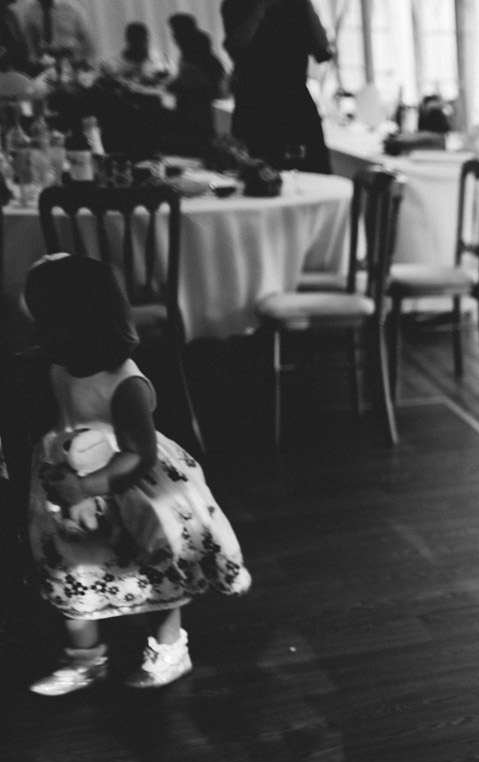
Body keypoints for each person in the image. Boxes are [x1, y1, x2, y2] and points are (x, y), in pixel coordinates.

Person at [23, 254, 251, 697]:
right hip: (74, 481)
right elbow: (66, 420)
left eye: (49, 323)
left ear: (86, 321)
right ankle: (86, 657)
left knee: (152, 565)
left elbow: (141, 456)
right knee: (75, 562)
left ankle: (170, 648)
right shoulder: (61, 367)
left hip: (130, 486)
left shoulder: (125, 384)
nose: (40, 334)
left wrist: (88, 486)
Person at [221, 0, 333, 173]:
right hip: (254, 103)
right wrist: (261, 8)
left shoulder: (296, 5)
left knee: (313, 172)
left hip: (295, 102)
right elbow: (235, 46)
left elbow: (322, 50)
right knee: (256, 173)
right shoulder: (236, 4)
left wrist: (306, 5)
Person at [163, 14, 226, 157]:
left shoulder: (194, 56)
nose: (173, 37)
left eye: (175, 32)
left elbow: (195, 86)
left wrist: (175, 86)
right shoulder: (193, 53)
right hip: (198, 111)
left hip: (197, 113)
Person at [15, 0, 93, 65]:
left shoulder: (73, 7)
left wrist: (88, 63)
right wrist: (35, 61)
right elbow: (30, 41)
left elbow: (87, 38)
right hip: (46, 62)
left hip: (72, 59)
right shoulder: (31, 12)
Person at [0, 0, 36, 75]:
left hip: (15, 63)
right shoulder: (8, 12)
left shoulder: (9, 12)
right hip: (8, 64)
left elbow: (19, 38)